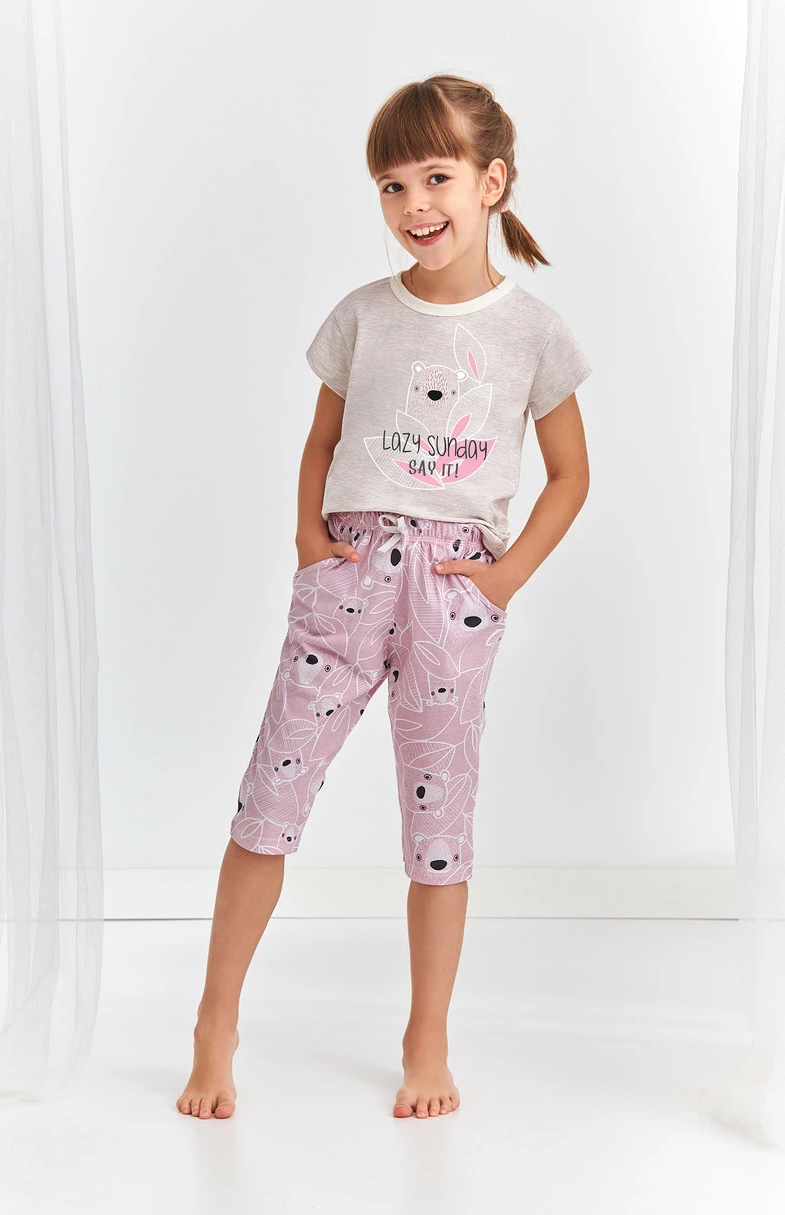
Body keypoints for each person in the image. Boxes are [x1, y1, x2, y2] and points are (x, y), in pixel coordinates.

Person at [177, 73, 592, 1121]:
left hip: (454, 595)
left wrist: (502, 578)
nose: (415, 203)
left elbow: (570, 474)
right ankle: (216, 1023)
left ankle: (427, 1038)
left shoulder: (532, 330)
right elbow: (321, 440)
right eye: (393, 185)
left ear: (492, 182)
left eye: (437, 177)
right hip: (349, 577)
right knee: (268, 804)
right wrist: (310, 544)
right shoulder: (363, 315)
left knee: (439, 828)